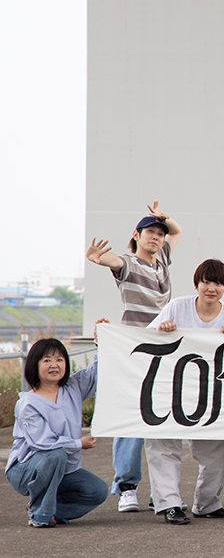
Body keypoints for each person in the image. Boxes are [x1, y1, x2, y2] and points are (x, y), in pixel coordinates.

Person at [85, 201, 182, 512]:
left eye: (159, 234)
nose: (156, 237)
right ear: (136, 235)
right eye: (150, 232)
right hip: (135, 350)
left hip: (165, 351)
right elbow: (111, 261)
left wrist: (166, 218)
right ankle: (126, 486)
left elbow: (178, 231)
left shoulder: (163, 259)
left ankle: (162, 490)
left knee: (164, 419)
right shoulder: (128, 263)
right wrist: (97, 258)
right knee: (132, 417)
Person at [145, 259, 224, 525]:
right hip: (171, 391)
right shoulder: (177, 306)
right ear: (197, 283)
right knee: (163, 445)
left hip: (211, 395)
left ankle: (207, 502)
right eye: (206, 282)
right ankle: (169, 503)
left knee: (216, 449)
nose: (211, 288)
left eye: (218, 284)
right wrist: (162, 330)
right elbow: (145, 339)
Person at [6, 338, 108, 527]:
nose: (54, 365)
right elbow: (42, 443)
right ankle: (40, 514)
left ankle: (50, 509)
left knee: (97, 490)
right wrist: (79, 443)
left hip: (63, 469)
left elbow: (98, 371)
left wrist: (102, 339)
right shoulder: (28, 403)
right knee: (56, 454)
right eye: (47, 360)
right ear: (34, 366)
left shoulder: (73, 387)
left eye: (60, 359)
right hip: (26, 468)